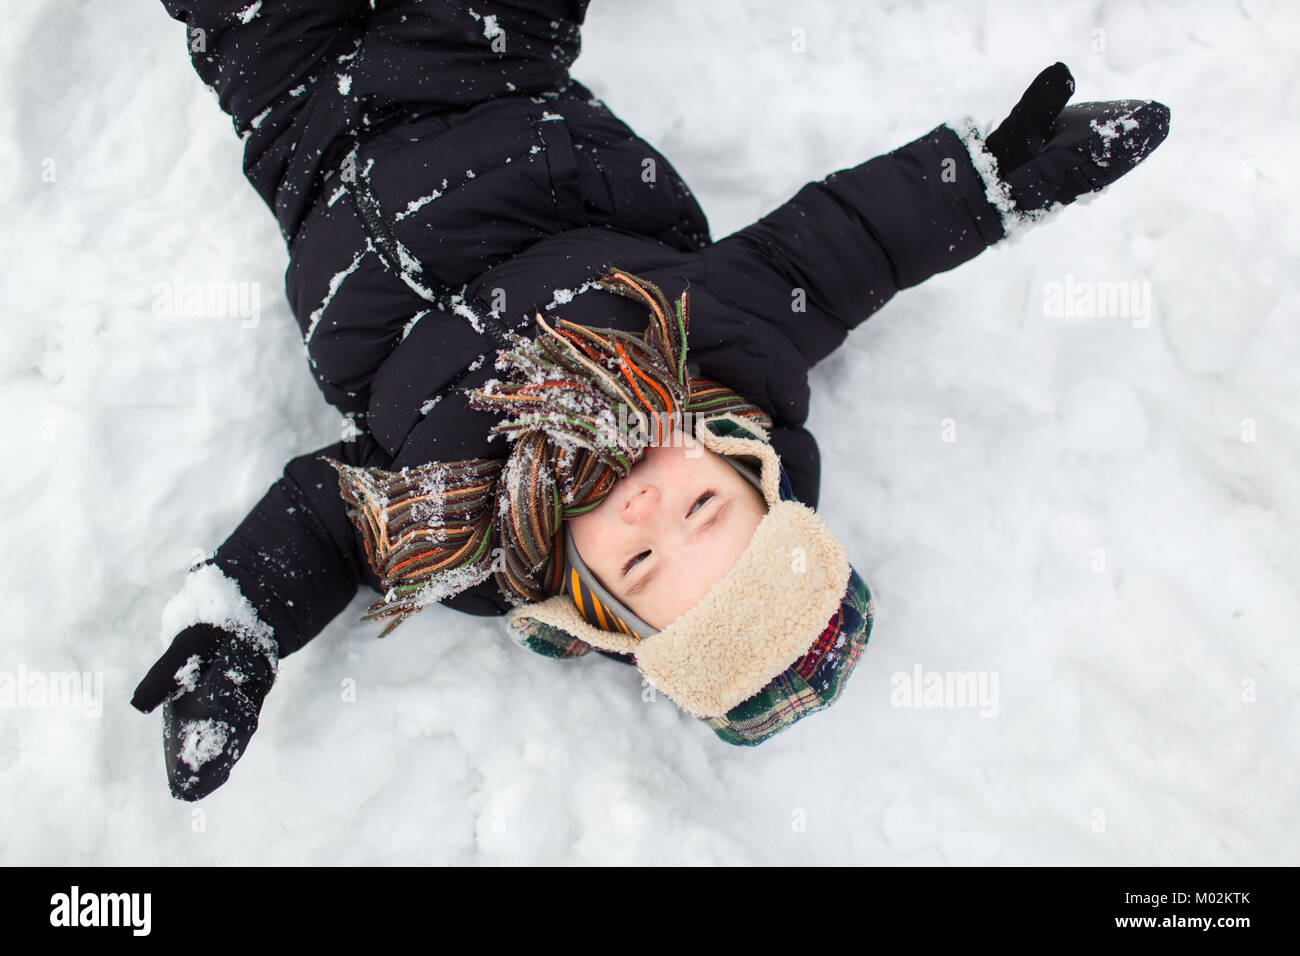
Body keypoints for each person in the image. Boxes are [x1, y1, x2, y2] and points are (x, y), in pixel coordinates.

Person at [129, 0, 1170, 800]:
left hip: (296, 121)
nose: (646, 510)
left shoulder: (461, 524)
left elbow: (327, 519)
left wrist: (237, 634)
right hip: (485, 59)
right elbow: (855, 242)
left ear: (591, 604)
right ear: (743, 461)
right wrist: (985, 180)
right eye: (704, 508)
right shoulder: (722, 336)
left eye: (638, 562)